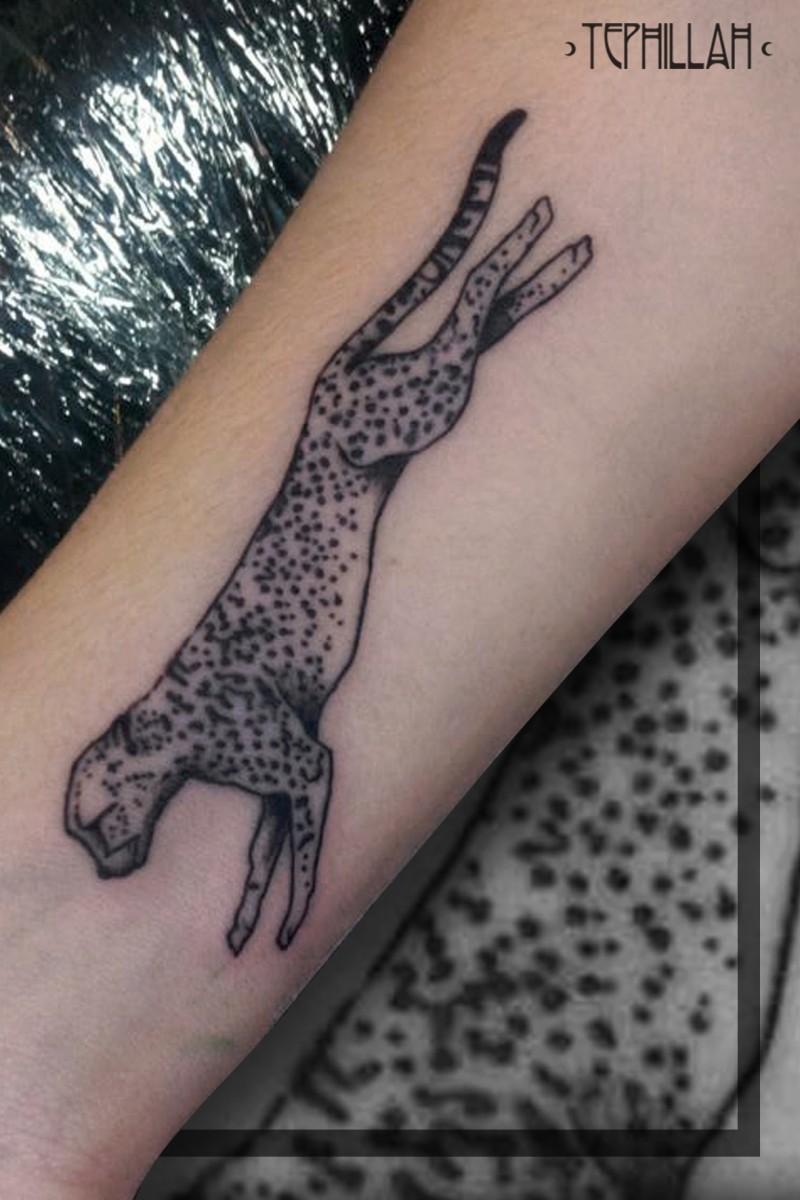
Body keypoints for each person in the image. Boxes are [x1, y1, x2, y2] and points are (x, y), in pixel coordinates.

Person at [1, 2, 799, 1197]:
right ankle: (509, 258)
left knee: (462, 330)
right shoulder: (195, 730)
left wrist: (40, 1013)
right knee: (463, 329)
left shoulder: (200, 726)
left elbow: (723, 47)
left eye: (115, 824)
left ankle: (510, 253)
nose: (120, 838)